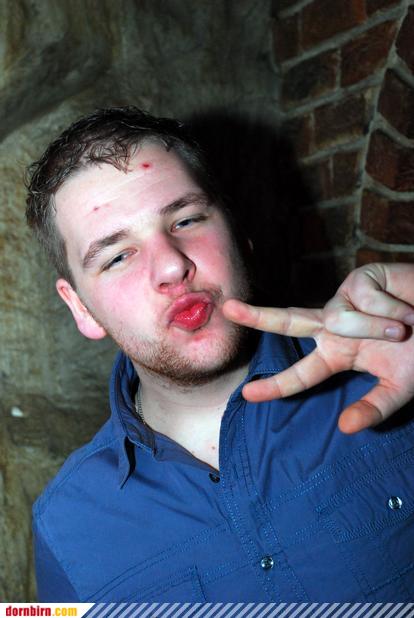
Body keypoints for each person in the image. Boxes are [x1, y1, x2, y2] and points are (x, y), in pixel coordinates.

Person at [26, 107, 414, 602]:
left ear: (238, 233)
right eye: (118, 255)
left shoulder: (390, 372)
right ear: (80, 307)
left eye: (186, 219)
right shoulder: (65, 529)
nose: (171, 266)